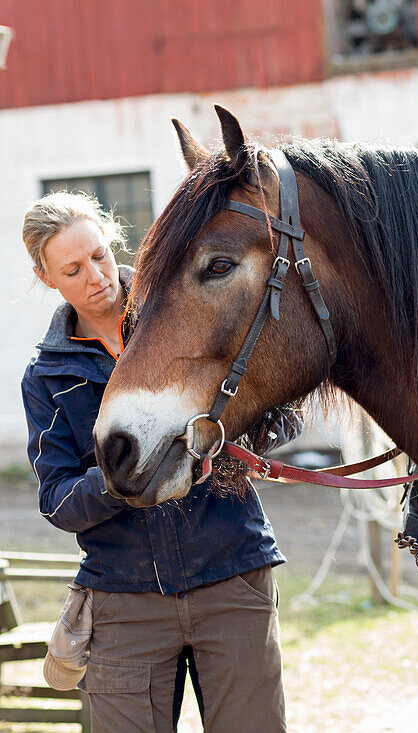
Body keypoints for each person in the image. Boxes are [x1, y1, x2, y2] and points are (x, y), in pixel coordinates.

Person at [20, 191, 288, 732]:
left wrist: (230, 439)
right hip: (124, 599)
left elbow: (280, 408)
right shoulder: (46, 377)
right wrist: (121, 478)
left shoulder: (185, 307)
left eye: (98, 255)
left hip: (231, 575)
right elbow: (57, 502)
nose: (96, 276)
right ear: (48, 279)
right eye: (73, 269)